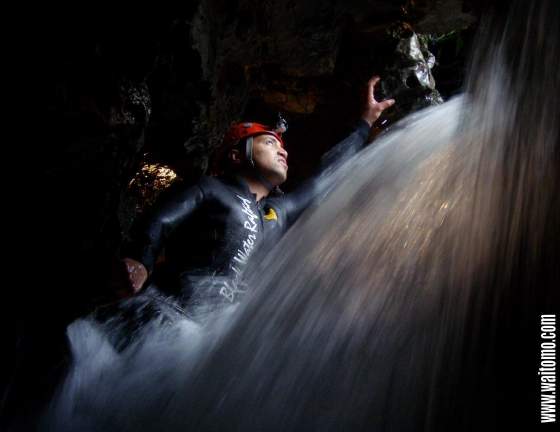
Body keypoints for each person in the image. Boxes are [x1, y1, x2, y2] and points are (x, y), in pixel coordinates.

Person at [120, 76, 394, 316]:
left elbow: (324, 178)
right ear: (237, 154)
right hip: (163, 312)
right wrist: (140, 260)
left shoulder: (276, 213)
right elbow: (162, 219)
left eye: (282, 147)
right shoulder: (210, 188)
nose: (283, 151)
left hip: (202, 343)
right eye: (270, 142)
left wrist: (364, 124)